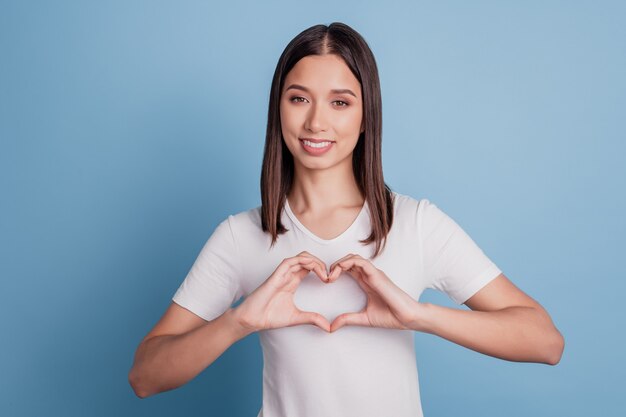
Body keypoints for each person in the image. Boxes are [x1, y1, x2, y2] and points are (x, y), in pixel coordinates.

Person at [128, 22, 564, 416]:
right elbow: (145, 377)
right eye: (299, 98)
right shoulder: (240, 236)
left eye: (340, 102)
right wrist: (239, 321)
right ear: (278, 109)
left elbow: (545, 341)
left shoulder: (414, 224)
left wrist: (418, 316)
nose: (316, 122)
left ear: (364, 117)